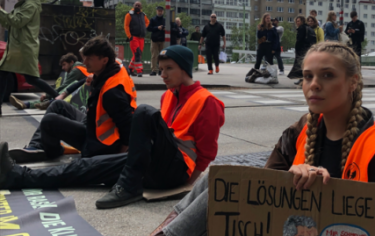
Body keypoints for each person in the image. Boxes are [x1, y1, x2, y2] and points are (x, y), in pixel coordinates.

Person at [32, 41, 375, 236]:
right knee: (220, 180)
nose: (313, 85)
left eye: (327, 76)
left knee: (222, 191)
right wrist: (291, 175)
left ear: (353, 83)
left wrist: (332, 184)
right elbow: (259, 185)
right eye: (307, 76)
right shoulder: (301, 129)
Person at [1, 45, 225, 210]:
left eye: (169, 69)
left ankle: (128, 186)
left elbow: (206, 152)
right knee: (86, 167)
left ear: (185, 69)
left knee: (144, 112)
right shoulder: (168, 96)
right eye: (161, 69)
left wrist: (188, 183)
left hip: (176, 168)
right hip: (151, 160)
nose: (163, 75)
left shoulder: (207, 101)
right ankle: (17, 176)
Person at [7, 37, 136, 165]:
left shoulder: (112, 92)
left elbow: (127, 126)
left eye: (89, 58)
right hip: (92, 124)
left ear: (104, 60)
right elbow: (81, 82)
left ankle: (53, 151)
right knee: (58, 105)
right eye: (84, 57)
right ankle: (35, 146)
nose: (84, 62)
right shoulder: (110, 69)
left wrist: (119, 159)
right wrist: (64, 93)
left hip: (95, 141)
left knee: (49, 121)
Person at [0, 0, 58, 116]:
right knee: (5, 75)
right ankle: (59, 97)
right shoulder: (24, 4)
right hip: (18, 47)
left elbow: (17, 22)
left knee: (31, 78)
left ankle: (60, 97)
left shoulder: (30, 5)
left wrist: (1, 12)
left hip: (22, 48)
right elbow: (12, 24)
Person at [9, 52, 89, 111]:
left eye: (64, 65)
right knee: (57, 94)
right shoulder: (78, 68)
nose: (63, 68)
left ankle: (29, 104)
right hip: (82, 92)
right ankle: (27, 104)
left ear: (71, 62)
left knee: (64, 90)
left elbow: (66, 85)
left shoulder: (77, 70)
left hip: (84, 93)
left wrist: (48, 94)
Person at [125, 1, 149, 77]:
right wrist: (129, 36)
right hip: (133, 37)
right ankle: (139, 71)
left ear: (141, 7)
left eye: (139, 5)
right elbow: (126, 26)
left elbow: (148, 22)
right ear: (133, 5)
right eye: (136, 5)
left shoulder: (143, 15)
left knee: (137, 54)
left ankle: (130, 69)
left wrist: (144, 28)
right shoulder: (129, 15)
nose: (137, 6)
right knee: (137, 53)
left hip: (141, 37)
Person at [288, 15, 315, 80]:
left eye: (298, 21)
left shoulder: (301, 28)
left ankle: (301, 78)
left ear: (302, 21)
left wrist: (297, 48)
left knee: (300, 65)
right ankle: (303, 78)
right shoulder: (309, 28)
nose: (297, 23)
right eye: (296, 21)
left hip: (302, 49)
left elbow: (299, 40)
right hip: (308, 48)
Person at [148, 6, 165, 76]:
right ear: (156, 11)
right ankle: (154, 70)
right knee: (154, 55)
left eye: (161, 11)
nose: (160, 12)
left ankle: (161, 70)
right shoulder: (153, 19)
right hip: (154, 39)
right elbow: (148, 28)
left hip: (163, 39)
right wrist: (157, 28)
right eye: (159, 11)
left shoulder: (165, 20)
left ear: (163, 12)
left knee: (163, 56)